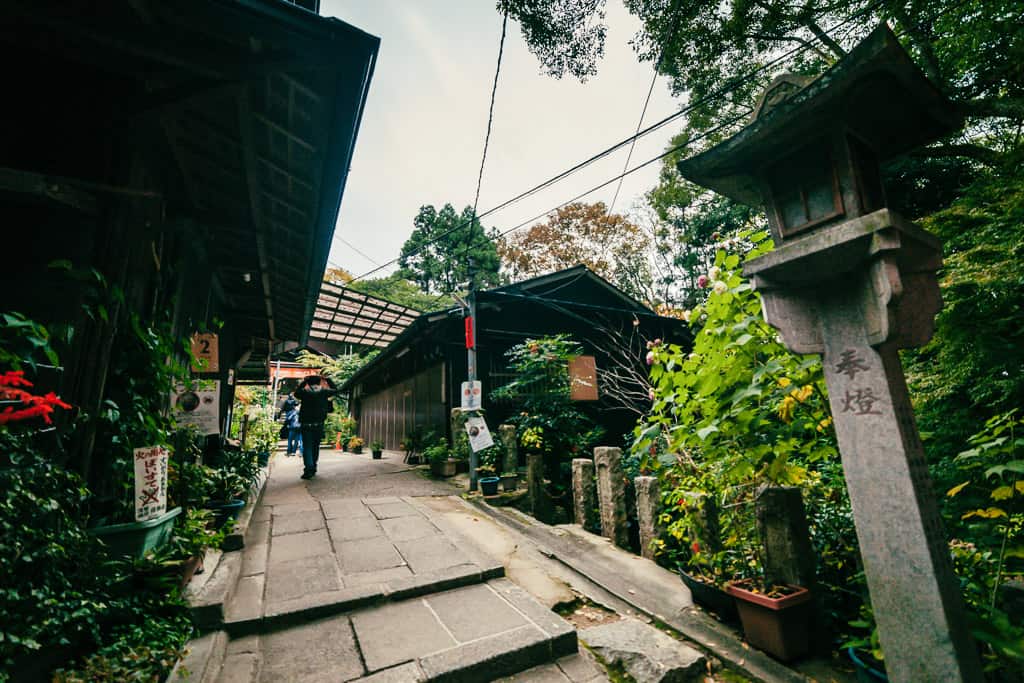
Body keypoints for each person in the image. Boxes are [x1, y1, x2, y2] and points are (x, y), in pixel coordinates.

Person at [293, 374, 339, 480]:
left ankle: (309, 468)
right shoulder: (324, 392)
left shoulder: (304, 393)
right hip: (319, 424)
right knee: (315, 446)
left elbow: (296, 393)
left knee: (307, 446)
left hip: (306, 424)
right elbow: (336, 390)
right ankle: (313, 467)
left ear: (308, 384)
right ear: (319, 382)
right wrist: (328, 380)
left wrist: (304, 382)